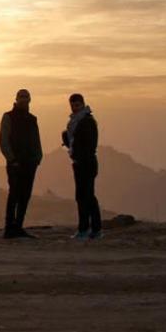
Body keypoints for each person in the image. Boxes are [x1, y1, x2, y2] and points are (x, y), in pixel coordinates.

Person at [0, 88, 43, 239]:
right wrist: (12, 159)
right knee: (14, 195)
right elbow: (3, 140)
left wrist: (37, 158)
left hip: (30, 163)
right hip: (15, 163)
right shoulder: (8, 117)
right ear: (16, 99)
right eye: (21, 97)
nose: (24, 100)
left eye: (26, 97)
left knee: (25, 196)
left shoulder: (32, 119)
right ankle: (9, 228)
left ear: (30, 99)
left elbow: (36, 139)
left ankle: (18, 226)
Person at [62, 93, 101, 240]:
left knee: (85, 196)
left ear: (82, 104)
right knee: (86, 196)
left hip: (86, 163)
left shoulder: (87, 121)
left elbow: (89, 145)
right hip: (80, 163)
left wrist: (77, 153)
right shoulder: (76, 122)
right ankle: (95, 229)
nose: (74, 107)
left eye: (77, 105)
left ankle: (85, 229)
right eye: (72, 105)